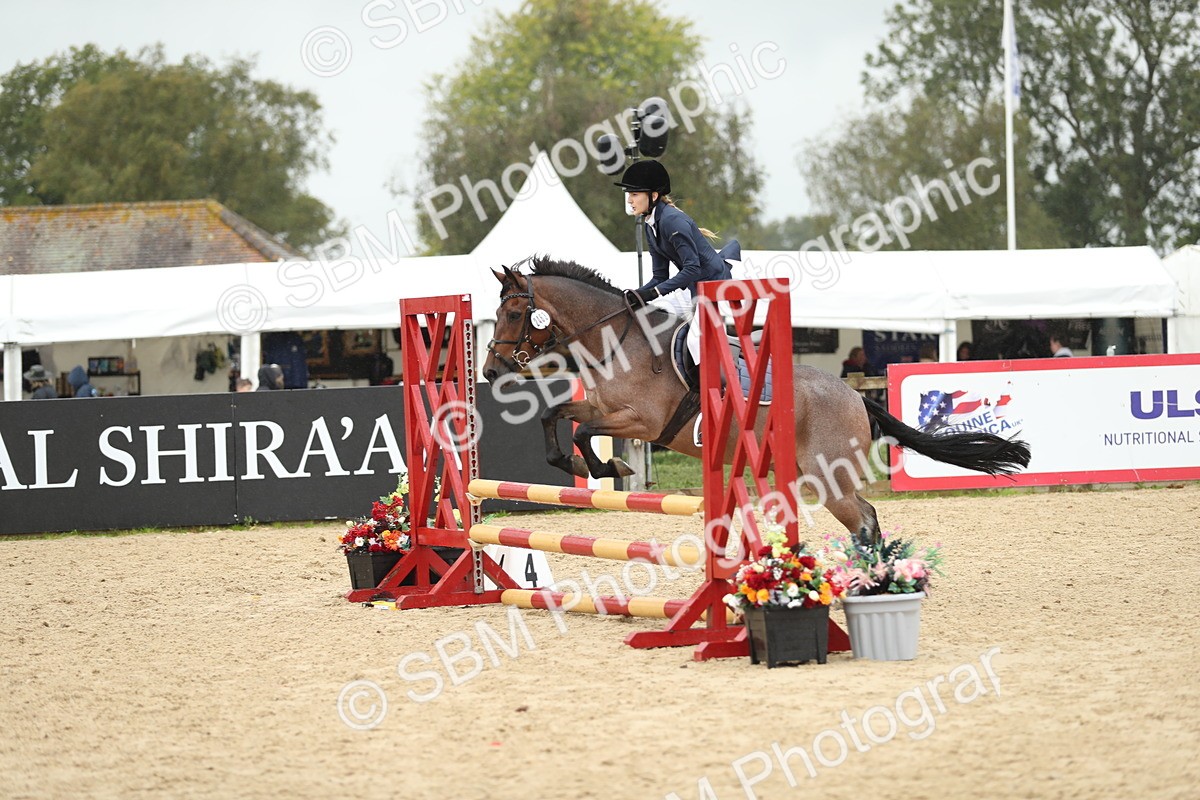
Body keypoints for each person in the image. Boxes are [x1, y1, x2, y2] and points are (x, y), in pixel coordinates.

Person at [615, 159, 740, 385]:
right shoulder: (650, 224)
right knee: (652, 315)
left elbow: (693, 268)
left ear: (653, 196)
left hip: (714, 288)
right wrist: (636, 295)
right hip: (694, 289)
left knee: (695, 342)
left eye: (634, 194)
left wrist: (653, 292)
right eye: (629, 194)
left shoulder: (672, 221)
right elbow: (660, 277)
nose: (629, 200)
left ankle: (716, 394)